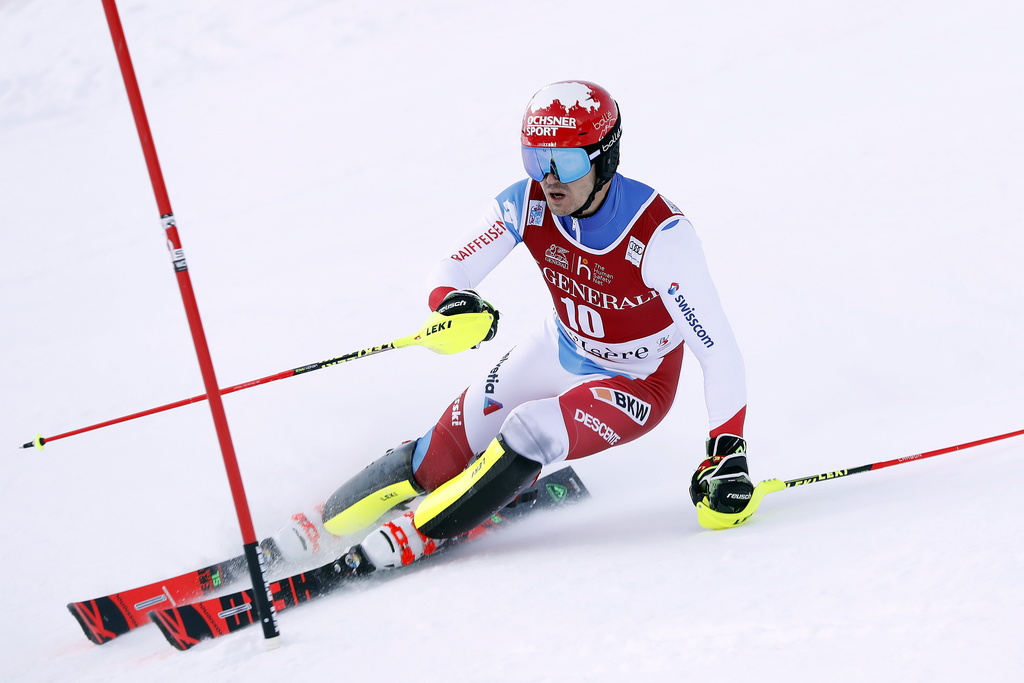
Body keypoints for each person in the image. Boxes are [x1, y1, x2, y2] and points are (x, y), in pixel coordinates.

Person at [274, 81, 754, 570]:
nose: (548, 178)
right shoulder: (527, 203)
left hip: (636, 381)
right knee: (436, 459)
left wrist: (727, 451)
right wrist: (455, 301)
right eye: (535, 158)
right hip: (558, 348)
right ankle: (318, 526)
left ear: (605, 157)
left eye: (565, 162)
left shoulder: (660, 235)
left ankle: (414, 532)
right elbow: (451, 268)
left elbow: (718, 352)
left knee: (530, 431)